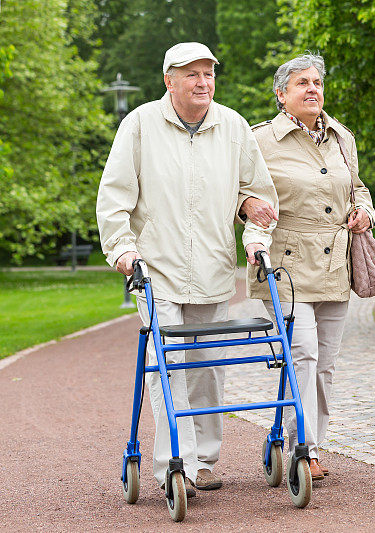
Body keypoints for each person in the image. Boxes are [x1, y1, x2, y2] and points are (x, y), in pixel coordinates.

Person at [96, 42, 278, 495]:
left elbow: (256, 196)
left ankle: (206, 460)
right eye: (192, 74)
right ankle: (175, 464)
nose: (203, 83)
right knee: (168, 366)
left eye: (209, 74)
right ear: (169, 81)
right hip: (155, 270)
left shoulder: (233, 127)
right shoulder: (139, 125)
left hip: (215, 270)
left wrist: (253, 227)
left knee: (207, 368)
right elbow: (114, 197)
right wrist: (121, 249)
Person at [241, 54, 375, 481]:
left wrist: (365, 212)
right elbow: (237, 194)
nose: (312, 89)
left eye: (317, 82)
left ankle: (307, 440)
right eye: (301, 83)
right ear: (281, 95)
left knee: (326, 364)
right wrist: (246, 209)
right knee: (304, 354)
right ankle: (306, 451)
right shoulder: (257, 140)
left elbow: (357, 188)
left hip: (335, 265)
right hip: (285, 266)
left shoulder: (342, 138)